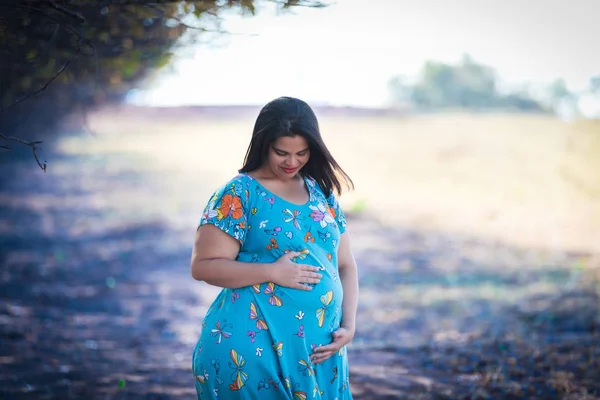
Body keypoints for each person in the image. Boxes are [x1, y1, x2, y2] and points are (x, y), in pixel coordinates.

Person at [190, 96, 359, 400]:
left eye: (302, 153)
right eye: (281, 152)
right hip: (254, 352)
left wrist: (348, 326)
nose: (292, 162)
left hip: (319, 354)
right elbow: (203, 266)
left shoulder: (320, 192)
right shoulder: (239, 194)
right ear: (263, 144)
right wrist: (272, 271)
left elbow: (345, 264)